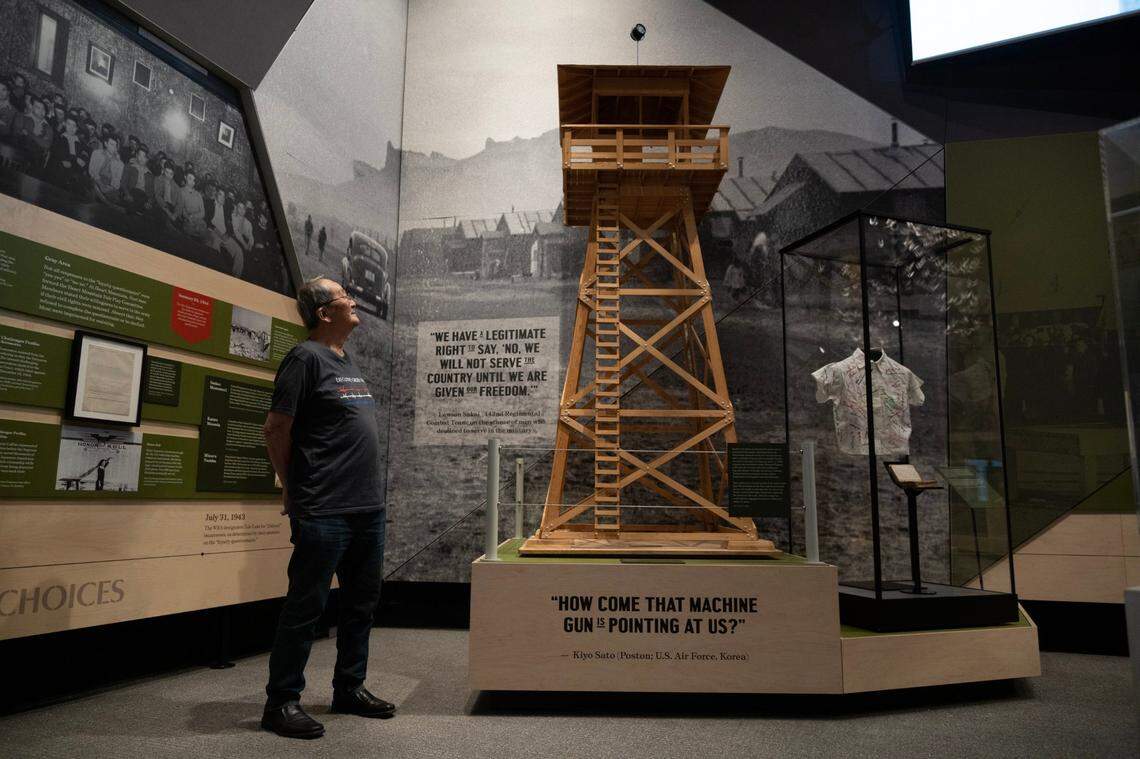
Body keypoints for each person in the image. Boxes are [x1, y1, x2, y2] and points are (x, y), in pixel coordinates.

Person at [260, 277, 394, 739]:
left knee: (361, 603)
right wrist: (290, 487)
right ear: (323, 313)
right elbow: (276, 429)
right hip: (324, 508)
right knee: (307, 605)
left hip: (366, 508)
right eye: (344, 297)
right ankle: (280, 703)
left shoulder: (345, 360)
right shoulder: (303, 359)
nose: (353, 301)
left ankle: (349, 688)